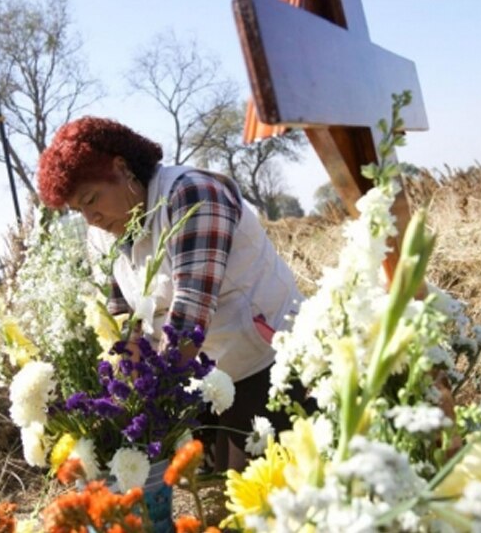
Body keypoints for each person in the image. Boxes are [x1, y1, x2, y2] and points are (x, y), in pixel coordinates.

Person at [37, 116, 307, 471]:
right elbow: (125, 323)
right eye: (78, 210)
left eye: (91, 199)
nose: (90, 218)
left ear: (122, 169)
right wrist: (120, 408)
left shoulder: (191, 195)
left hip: (270, 368)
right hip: (204, 382)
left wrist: (152, 412)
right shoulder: (104, 236)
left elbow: (188, 319)